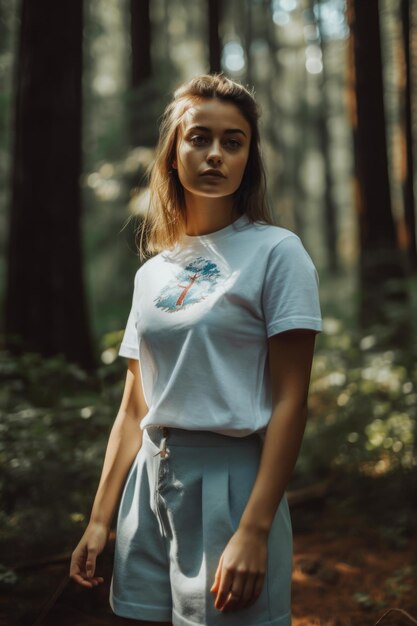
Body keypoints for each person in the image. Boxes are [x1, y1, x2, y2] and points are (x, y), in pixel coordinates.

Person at [70, 73, 322, 626]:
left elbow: (290, 401)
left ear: (249, 158)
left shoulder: (278, 253)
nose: (215, 154)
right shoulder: (152, 273)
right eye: (199, 138)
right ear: (173, 152)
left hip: (231, 488)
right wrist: (99, 518)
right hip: (148, 484)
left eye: (233, 142)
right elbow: (135, 406)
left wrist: (253, 528)